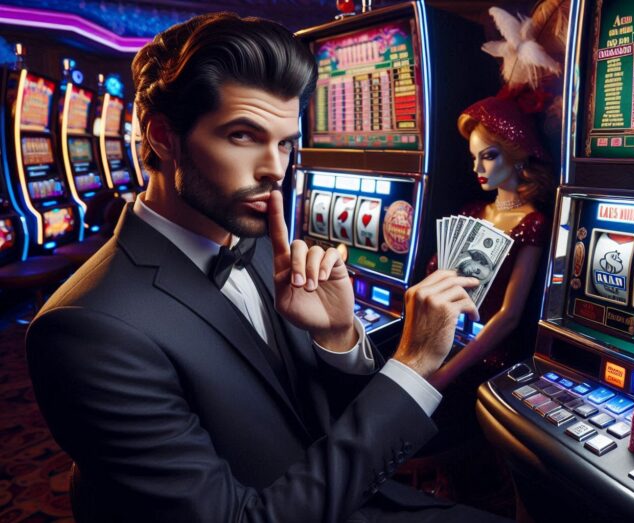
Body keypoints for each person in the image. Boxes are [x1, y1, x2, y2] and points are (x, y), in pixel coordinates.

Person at [25, 13, 510, 523]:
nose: (275, 169)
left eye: (284, 143)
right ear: (163, 137)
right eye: (242, 136)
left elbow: (324, 424)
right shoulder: (86, 329)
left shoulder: (258, 243)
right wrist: (411, 365)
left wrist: (339, 338)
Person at [426, 91, 554, 390]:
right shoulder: (472, 211)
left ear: (517, 155)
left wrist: (446, 374)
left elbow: (509, 317)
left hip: (484, 359)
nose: (477, 169)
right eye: (474, 157)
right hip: (444, 341)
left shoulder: (532, 223)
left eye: (489, 156)